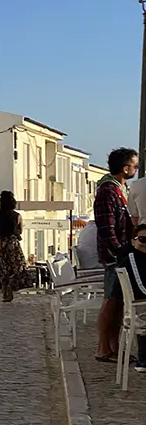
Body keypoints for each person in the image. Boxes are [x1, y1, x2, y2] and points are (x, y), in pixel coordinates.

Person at [94, 148, 139, 363]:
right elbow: (106, 226)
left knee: (119, 302)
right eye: (135, 166)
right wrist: (119, 250)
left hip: (123, 252)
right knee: (111, 301)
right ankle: (103, 348)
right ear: (125, 167)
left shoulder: (122, 188)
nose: (136, 169)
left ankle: (115, 347)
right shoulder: (108, 191)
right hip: (114, 255)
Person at [116, 223, 146, 372]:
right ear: (134, 241)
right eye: (142, 239)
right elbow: (142, 288)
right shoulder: (133, 260)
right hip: (140, 310)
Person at [0, 191, 26, 303]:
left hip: (0, 243)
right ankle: (12, 286)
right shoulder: (17, 216)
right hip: (12, 243)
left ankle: (5, 290)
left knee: (3, 267)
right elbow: (20, 230)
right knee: (16, 266)